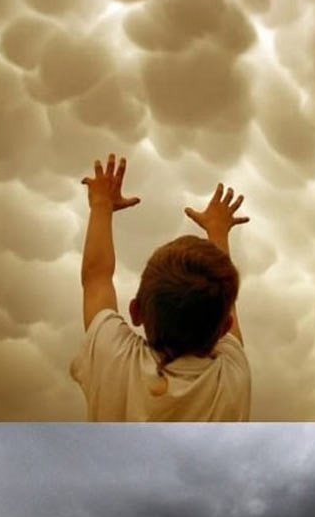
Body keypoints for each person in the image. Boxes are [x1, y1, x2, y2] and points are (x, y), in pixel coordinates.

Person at [74, 155, 251, 418]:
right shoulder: (232, 376)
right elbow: (226, 304)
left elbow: (96, 277)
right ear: (224, 327)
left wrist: (101, 204)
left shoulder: (114, 357)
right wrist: (218, 232)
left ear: (136, 311)